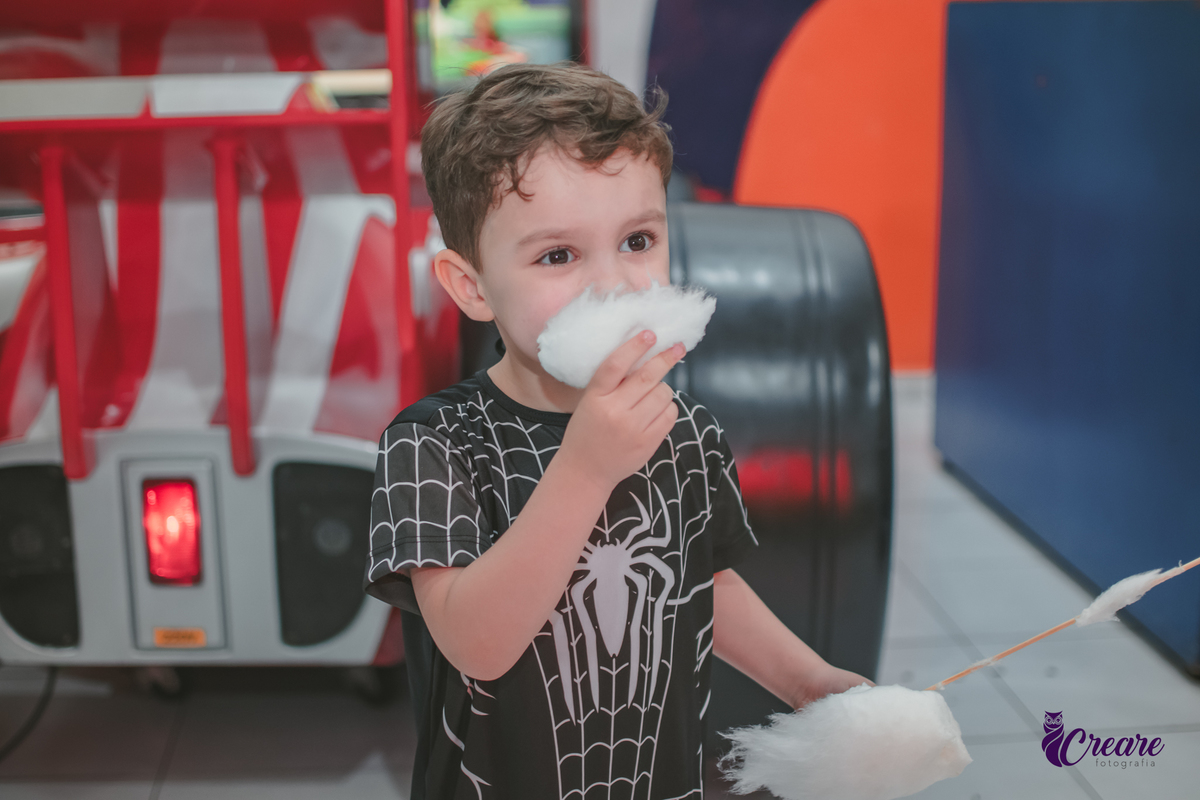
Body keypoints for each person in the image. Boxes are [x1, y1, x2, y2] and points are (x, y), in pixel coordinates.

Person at [363, 62, 870, 800]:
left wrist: (807, 679)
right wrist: (586, 468)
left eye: (638, 241)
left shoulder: (681, 425)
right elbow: (475, 642)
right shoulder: (433, 443)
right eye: (558, 256)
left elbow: (702, 582)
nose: (613, 285)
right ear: (471, 286)